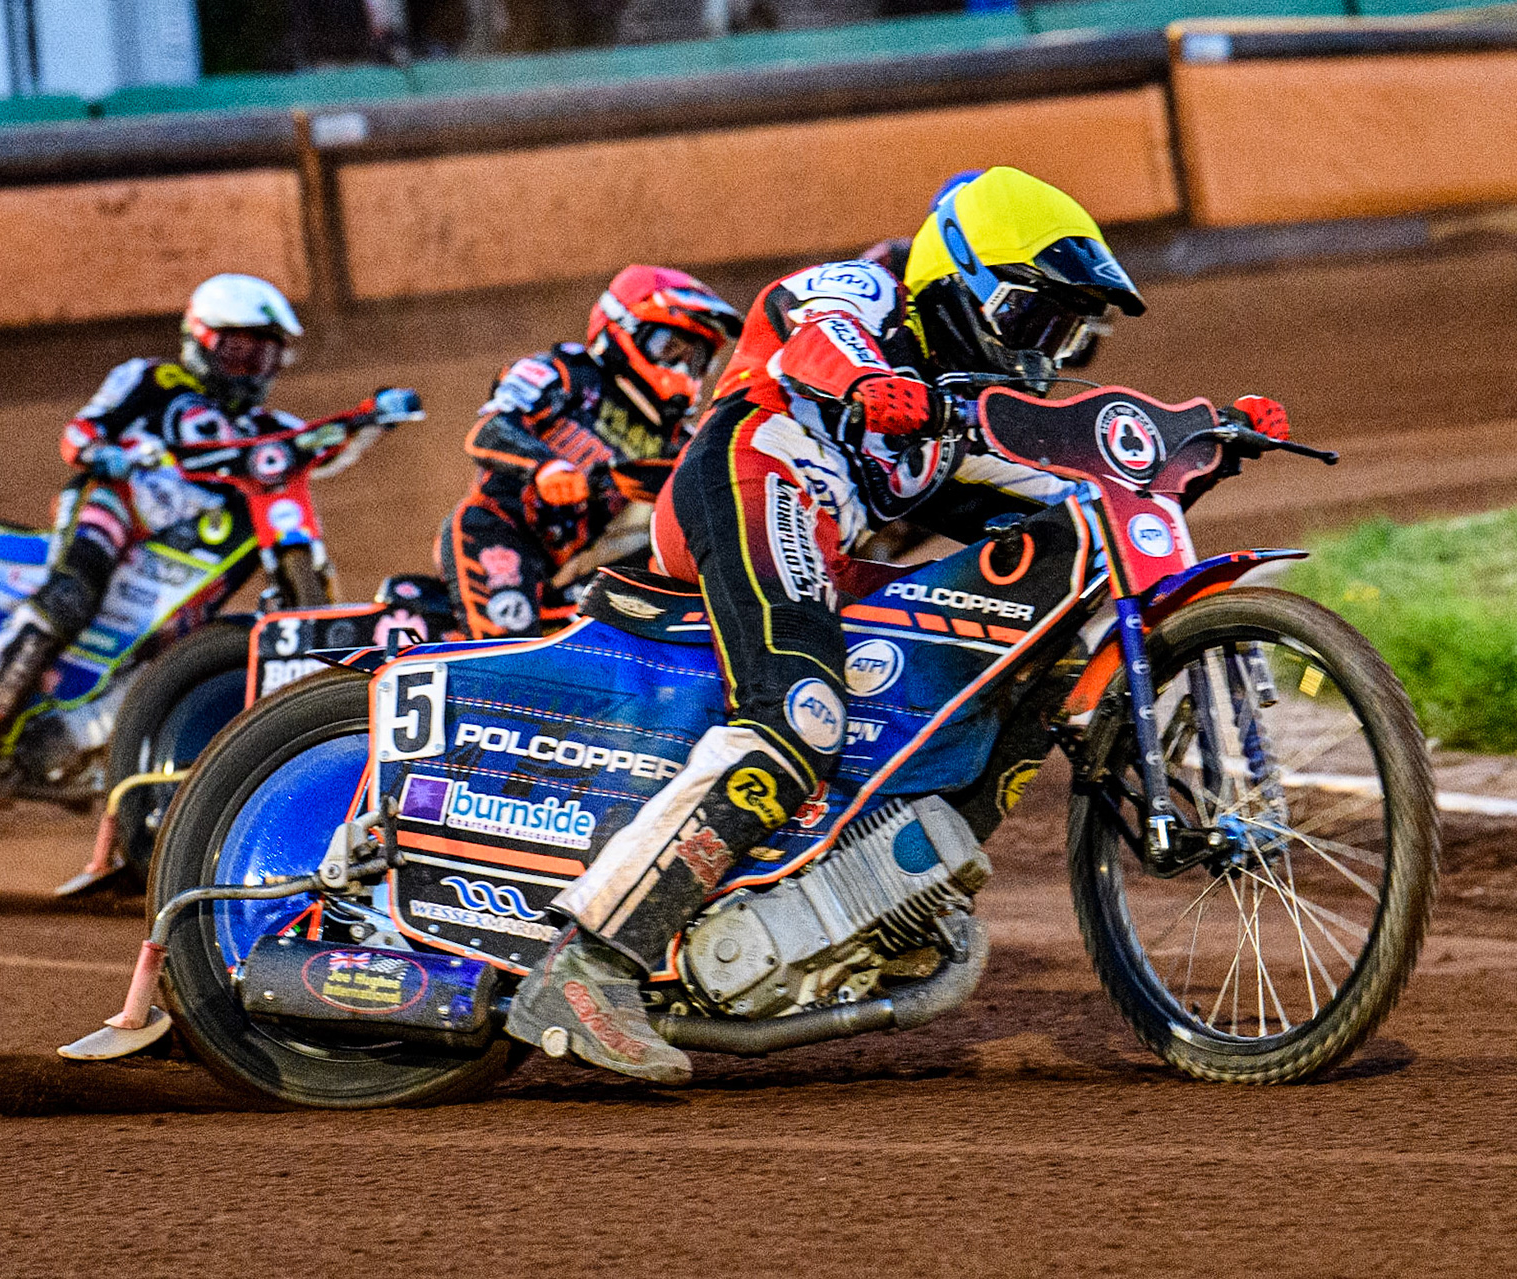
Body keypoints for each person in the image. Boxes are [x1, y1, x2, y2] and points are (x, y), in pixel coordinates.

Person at [505, 166, 1292, 1084]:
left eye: (1066, 337)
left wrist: (1203, 448)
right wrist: (871, 381)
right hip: (749, 474)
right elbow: (810, 332)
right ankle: (591, 964)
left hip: (824, 535)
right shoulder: (872, 295)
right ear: (964, 281)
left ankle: (864, 898)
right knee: (798, 716)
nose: (1046, 354)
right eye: (1037, 321)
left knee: (1007, 643)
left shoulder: (955, 416)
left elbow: (1079, 495)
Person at [0, 274, 318, 795]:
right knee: (71, 595)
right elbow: (82, 430)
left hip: (184, 551)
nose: (249, 371)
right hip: (119, 503)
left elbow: (319, 446)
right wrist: (103, 453)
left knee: (176, 660)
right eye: (238, 353)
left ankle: (66, 739)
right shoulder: (151, 380)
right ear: (200, 342)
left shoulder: (272, 427)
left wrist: (372, 416)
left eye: (263, 358)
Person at [437, 264, 742, 639]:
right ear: (623, 328)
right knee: (507, 651)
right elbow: (490, 428)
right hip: (497, 531)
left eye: (696, 359)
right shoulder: (564, 374)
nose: (682, 367)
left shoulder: (679, 440)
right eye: (670, 347)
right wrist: (546, 468)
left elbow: (706, 492)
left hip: (569, 572)